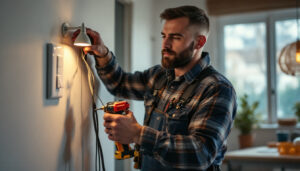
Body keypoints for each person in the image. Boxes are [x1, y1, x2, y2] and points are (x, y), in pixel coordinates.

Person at [78, 5, 237, 171]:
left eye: (175, 37)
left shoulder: (217, 88)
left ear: (199, 42)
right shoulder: (159, 75)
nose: (165, 44)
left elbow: (201, 153)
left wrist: (137, 134)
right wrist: (103, 54)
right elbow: (120, 84)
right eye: (164, 36)